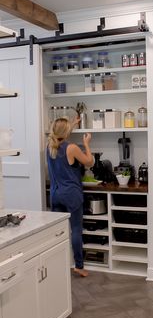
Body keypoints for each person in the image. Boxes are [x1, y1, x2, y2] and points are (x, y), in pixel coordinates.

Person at [47, 117, 94, 277]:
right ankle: (79, 266)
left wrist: (72, 124)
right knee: (75, 230)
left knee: (57, 231)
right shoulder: (72, 148)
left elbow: (61, 135)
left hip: (55, 194)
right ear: (66, 132)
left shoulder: (50, 146)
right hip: (71, 195)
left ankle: (56, 263)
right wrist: (87, 143)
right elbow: (89, 162)